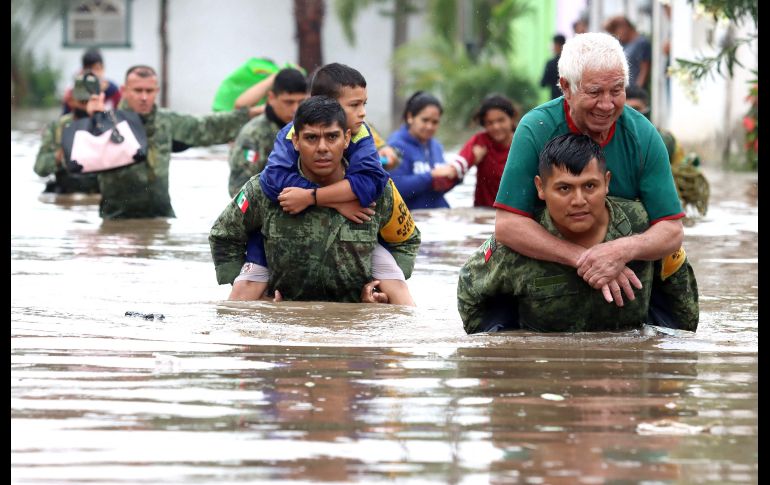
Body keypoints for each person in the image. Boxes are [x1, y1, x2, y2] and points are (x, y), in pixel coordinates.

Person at [492, 32, 686, 324]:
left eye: (617, 90)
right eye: (594, 92)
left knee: (670, 339)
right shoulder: (536, 128)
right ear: (566, 88)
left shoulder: (643, 135)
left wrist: (620, 251)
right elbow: (507, 226)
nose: (607, 105)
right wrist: (584, 258)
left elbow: (672, 229)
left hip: (628, 272)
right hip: (547, 264)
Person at [458, 133, 699, 334]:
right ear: (541, 188)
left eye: (590, 186)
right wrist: (506, 352)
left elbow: (683, 309)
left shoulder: (644, 227)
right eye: (564, 188)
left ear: (607, 182)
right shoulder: (517, 244)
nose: (579, 200)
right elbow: (470, 290)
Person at [230, 63, 415, 306]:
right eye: (354, 105)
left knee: (400, 292)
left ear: (346, 138)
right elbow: (271, 180)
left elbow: (374, 181)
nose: (362, 113)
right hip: (274, 250)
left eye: (364, 104)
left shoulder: (362, 135)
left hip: (356, 266)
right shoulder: (286, 139)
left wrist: (314, 198)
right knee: (242, 296)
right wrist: (328, 200)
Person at [84, 65, 258, 219]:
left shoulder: (166, 121)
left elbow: (208, 126)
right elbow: (80, 160)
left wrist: (258, 114)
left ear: (156, 91)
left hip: (160, 216)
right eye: (138, 91)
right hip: (116, 220)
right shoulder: (106, 121)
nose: (144, 97)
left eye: (149, 91)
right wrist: (91, 120)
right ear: (124, 90)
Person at [624, 86, 710, 217]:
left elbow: (679, 172)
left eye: (636, 109)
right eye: (627, 108)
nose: (631, 114)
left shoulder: (666, 139)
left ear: (647, 110)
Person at [227, 67, 308, 197]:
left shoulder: (310, 128)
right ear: (271, 98)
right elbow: (238, 190)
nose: (295, 109)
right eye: (289, 102)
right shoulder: (253, 134)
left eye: (301, 101)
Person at [387, 91, 464, 210]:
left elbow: (437, 189)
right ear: (410, 117)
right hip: (411, 220)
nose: (430, 126)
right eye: (425, 120)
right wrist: (431, 175)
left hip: (438, 215)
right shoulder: (395, 145)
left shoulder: (436, 146)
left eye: (435, 122)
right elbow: (395, 189)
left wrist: (455, 177)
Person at [35, 72, 102, 195]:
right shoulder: (57, 127)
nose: (87, 107)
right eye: (82, 101)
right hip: (67, 192)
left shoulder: (110, 125)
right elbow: (40, 168)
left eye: (91, 101)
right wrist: (60, 156)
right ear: (71, 101)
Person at [455, 94, 517, 208]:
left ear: (512, 119)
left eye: (501, 120)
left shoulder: (523, 143)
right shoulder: (481, 141)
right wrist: (473, 159)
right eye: (490, 122)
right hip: (483, 211)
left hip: (514, 213)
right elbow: (459, 165)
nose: (496, 127)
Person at [62, 48, 121, 115]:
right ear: (83, 70)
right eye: (89, 69)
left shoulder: (113, 91)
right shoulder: (74, 92)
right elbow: (66, 119)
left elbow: (120, 117)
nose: (93, 73)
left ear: (103, 68)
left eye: (97, 68)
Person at [603, 15, 652, 89]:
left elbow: (644, 69)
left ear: (625, 27)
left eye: (616, 31)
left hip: (634, 91)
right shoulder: (624, 44)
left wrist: (638, 90)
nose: (617, 35)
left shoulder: (642, 42)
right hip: (625, 89)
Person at [540, 34, 566, 100]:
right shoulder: (571, 62)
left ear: (557, 45)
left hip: (555, 100)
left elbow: (543, 83)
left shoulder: (551, 63)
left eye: (554, 45)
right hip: (569, 99)